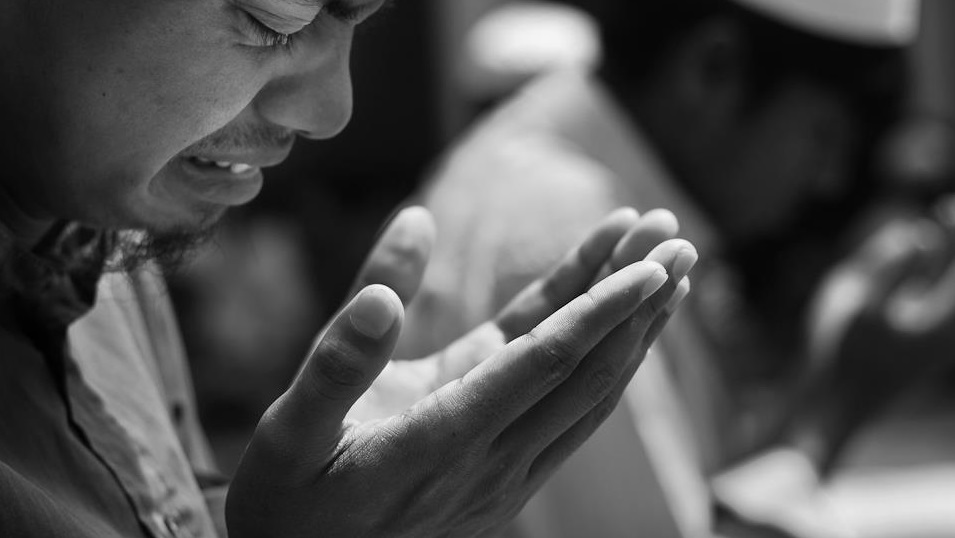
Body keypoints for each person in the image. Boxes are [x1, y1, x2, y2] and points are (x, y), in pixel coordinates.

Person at [0, 1, 699, 537]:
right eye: (272, 21)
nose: (331, 111)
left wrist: (320, 497)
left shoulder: (107, 247)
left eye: (356, 24)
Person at [395, 0, 919, 535]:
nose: (829, 177)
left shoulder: (561, 191)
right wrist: (834, 408)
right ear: (711, 68)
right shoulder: (569, 238)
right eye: (823, 133)